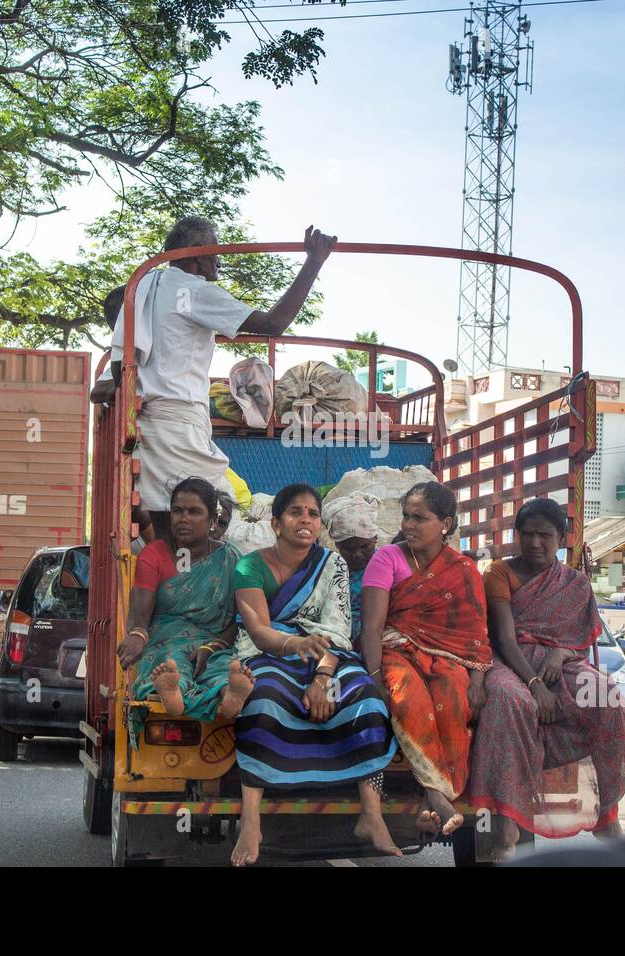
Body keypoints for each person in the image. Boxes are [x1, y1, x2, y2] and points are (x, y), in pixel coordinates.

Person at [104, 217, 337, 541]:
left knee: (165, 521)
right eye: (215, 249)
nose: (219, 259)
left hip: (151, 424)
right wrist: (314, 262)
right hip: (179, 424)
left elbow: (119, 366)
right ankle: (191, 580)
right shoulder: (194, 290)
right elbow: (274, 323)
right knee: (221, 509)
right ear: (198, 252)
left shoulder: (147, 284)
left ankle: (173, 578)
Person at [230, 483, 399, 866]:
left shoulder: (332, 564)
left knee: (368, 701)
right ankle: (251, 820)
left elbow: (338, 629)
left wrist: (323, 678)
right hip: (267, 652)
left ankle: (371, 815)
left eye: (312, 513)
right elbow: (258, 630)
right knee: (263, 702)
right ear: (276, 522)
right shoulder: (248, 565)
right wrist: (295, 646)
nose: (304, 520)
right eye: (295, 512)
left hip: (327, 655)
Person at [467, 498, 625, 860]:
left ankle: (605, 814)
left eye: (544, 535)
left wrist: (560, 655)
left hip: (559, 664)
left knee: (607, 700)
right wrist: (534, 685)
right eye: (527, 535)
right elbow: (503, 638)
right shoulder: (499, 573)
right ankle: (508, 823)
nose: (535, 543)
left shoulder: (575, 583)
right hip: (510, 663)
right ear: (517, 536)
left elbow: (577, 643)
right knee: (507, 700)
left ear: (560, 537)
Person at [360, 481, 490, 837]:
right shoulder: (386, 558)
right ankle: (437, 795)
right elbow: (371, 628)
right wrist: (373, 677)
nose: (409, 525)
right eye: (406, 516)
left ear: (445, 524)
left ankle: (430, 798)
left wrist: (477, 678)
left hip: (445, 657)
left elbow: (475, 635)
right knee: (406, 693)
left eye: (420, 518)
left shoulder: (463, 569)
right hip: (393, 649)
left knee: (452, 692)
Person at [118, 478, 252, 737]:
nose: (183, 518)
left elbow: (240, 620)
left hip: (215, 642)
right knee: (172, 662)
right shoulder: (155, 554)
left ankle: (229, 695)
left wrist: (211, 646)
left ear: (212, 519)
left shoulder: (232, 558)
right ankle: (173, 694)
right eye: (178, 511)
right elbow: (139, 611)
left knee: (223, 666)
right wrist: (136, 635)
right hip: (166, 638)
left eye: (194, 512)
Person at [322, 492, 380, 642]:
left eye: (364, 546)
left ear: (375, 538)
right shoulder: (332, 570)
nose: (358, 554)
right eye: (348, 549)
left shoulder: (385, 565)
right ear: (337, 545)